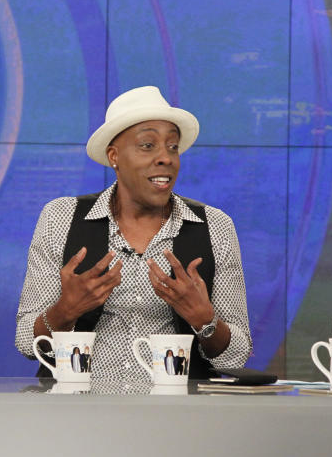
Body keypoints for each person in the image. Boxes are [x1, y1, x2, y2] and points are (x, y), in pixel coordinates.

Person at [15, 86, 251, 393]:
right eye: (147, 145)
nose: (165, 158)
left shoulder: (215, 227)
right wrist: (65, 310)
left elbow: (236, 354)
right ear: (114, 156)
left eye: (173, 147)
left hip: (177, 422)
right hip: (77, 418)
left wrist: (205, 321)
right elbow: (24, 340)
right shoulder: (61, 218)